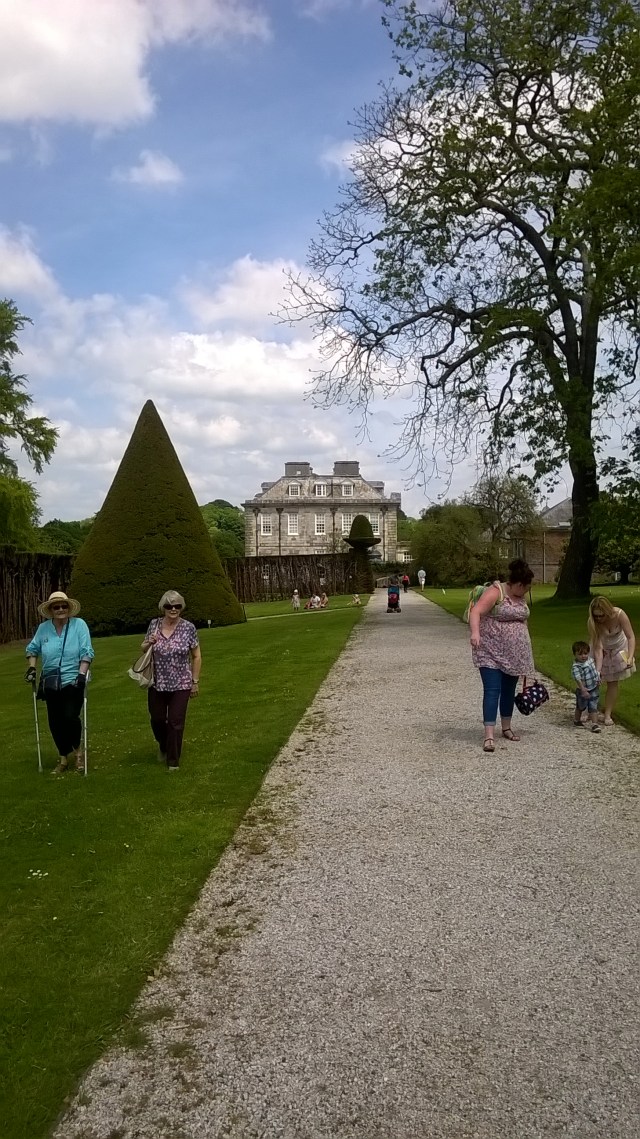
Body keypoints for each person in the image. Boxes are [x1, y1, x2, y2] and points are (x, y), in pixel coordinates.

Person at [469, 558, 535, 753]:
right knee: (492, 690)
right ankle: (489, 735)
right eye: (526, 588)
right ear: (518, 584)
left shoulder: (520, 597)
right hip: (490, 651)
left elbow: (522, 621)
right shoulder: (496, 592)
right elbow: (476, 612)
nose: (526, 592)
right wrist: (475, 633)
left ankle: (506, 727)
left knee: (508, 690)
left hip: (513, 655)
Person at [25, 590, 94, 774]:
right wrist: (32, 668)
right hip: (51, 681)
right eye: (57, 607)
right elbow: (32, 649)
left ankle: (78, 753)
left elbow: (87, 651)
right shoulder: (43, 629)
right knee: (55, 722)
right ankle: (63, 757)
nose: (61, 609)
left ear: (69, 608)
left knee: (70, 717)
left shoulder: (79, 625)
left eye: (64, 606)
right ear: (51, 610)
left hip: (73, 679)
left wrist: (82, 674)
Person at [141, 590, 201, 769]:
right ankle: (163, 745)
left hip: (181, 682)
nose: (173, 609)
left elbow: (196, 656)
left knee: (175, 722)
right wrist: (149, 642)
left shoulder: (188, 628)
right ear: (163, 608)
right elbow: (143, 648)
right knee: (157, 719)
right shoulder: (154, 624)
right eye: (169, 606)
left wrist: (195, 681)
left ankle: (173, 761)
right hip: (157, 682)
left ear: (181, 607)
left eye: (177, 606)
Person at [588, 596, 636, 725]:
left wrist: (630, 657)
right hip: (601, 649)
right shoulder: (593, 622)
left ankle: (607, 714)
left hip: (618, 648)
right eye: (596, 616)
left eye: (601, 615)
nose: (599, 618)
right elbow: (598, 648)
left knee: (613, 682)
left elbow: (631, 637)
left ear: (608, 611)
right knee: (592, 680)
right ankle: (589, 710)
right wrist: (598, 670)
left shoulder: (619, 614)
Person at [571, 640, 601, 732]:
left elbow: (594, 671)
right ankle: (577, 720)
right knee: (581, 706)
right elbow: (577, 678)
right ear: (575, 655)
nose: (583, 656)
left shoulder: (590, 660)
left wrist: (597, 678)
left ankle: (595, 724)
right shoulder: (576, 666)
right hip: (583, 690)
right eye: (580, 654)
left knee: (593, 706)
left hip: (593, 687)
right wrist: (582, 689)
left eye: (585, 653)